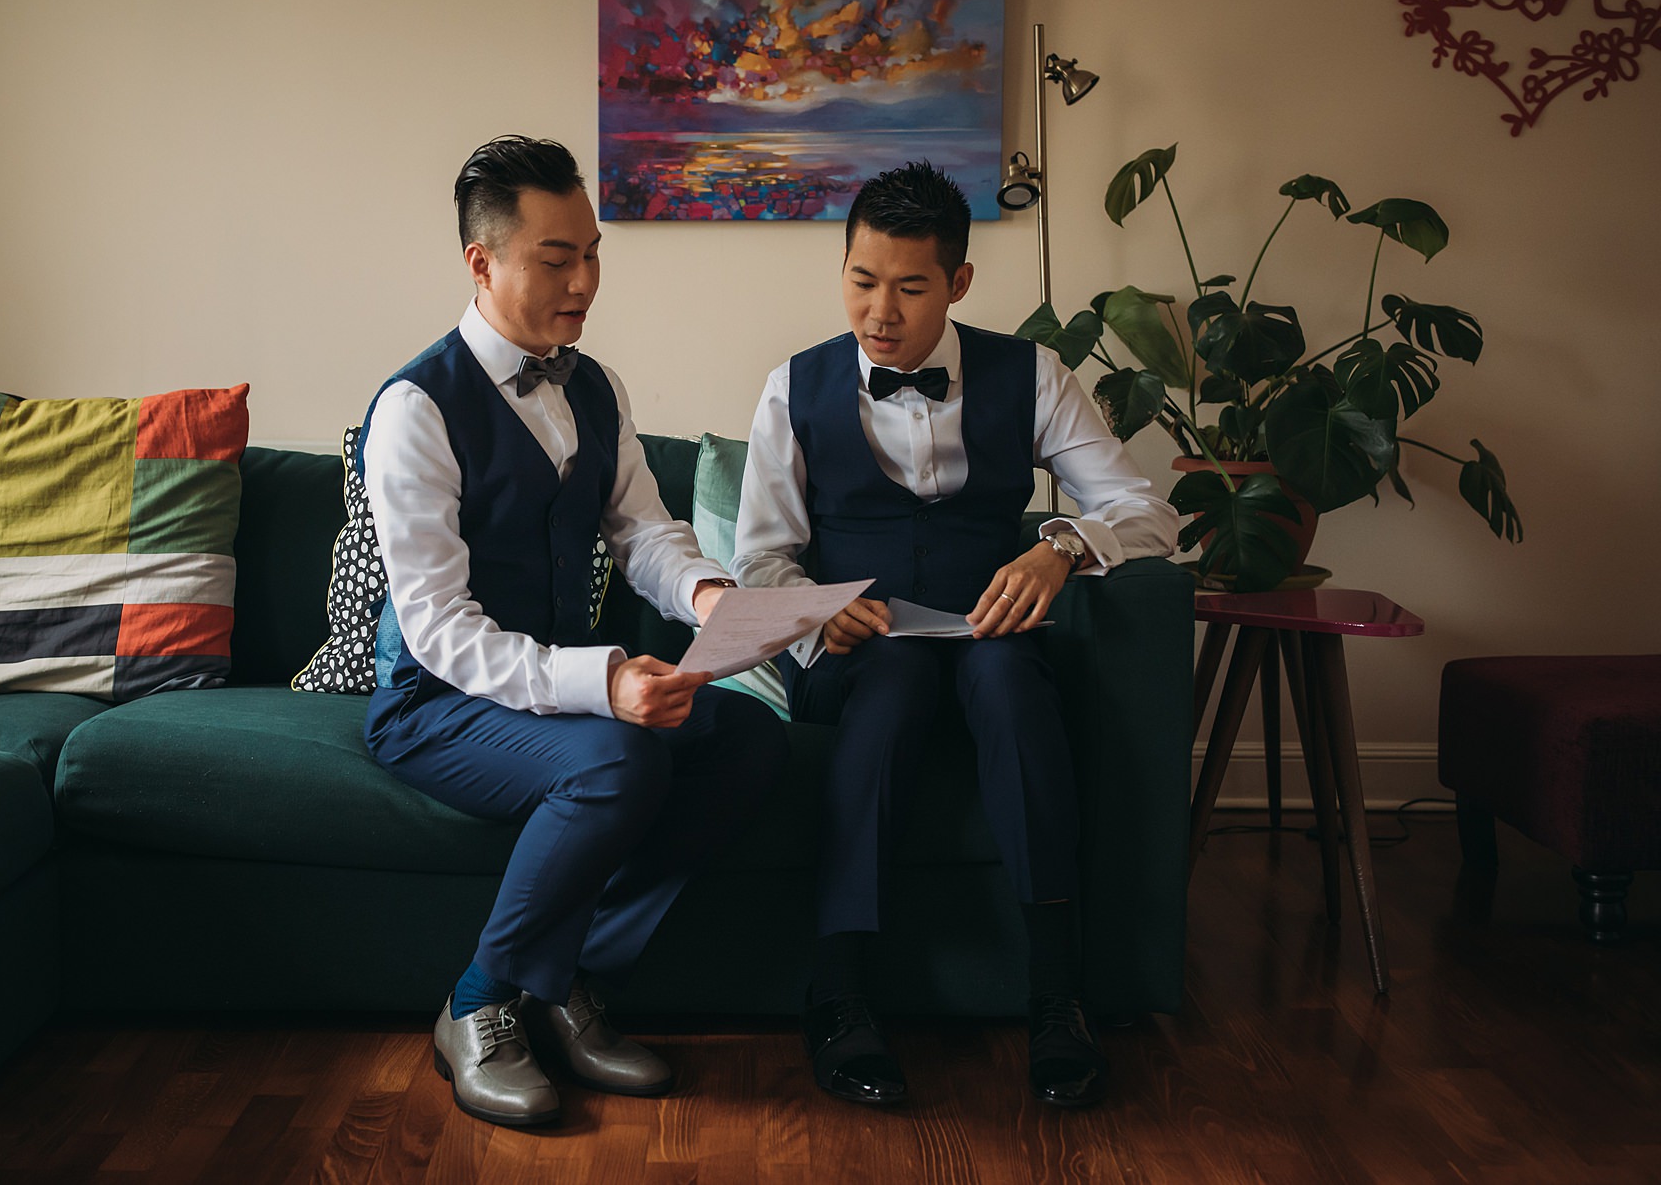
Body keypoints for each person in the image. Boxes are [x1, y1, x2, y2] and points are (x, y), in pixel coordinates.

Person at [358, 135, 789, 1129]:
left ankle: (558, 977)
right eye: (557, 259)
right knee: (618, 763)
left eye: (591, 252)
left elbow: (641, 531)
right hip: (437, 702)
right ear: (482, 262)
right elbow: (437, 630)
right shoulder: (416, 408)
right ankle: (476, 1003)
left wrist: (711, 597)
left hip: (547, 688)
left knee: (749, 741)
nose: (585, 280)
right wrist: (604, 684)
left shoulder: (593, 386)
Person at [731, 160, 1179, 1110]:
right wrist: (818, 610)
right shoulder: (793, 389)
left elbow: (1148, 511)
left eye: (909, 285)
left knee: (1013, 686)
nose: (878, 312)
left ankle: (1059, 996)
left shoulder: (1033, 374)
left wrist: (1061, 546)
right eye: (861, 279)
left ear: (960, 283)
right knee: (894, 682)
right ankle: (841, 993)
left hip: (987, 641)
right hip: (853, 659)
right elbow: (761, 566)